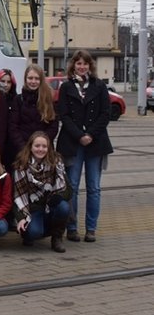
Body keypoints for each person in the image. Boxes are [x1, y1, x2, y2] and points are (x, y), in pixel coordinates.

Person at [56, 50, 114, 243]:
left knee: (94, 187)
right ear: (73, 65)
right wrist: (80, 135)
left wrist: (90, 134)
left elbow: (106, 114)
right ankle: (72, 228)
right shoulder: (66, 87)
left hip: (95, 143)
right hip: (73, 143)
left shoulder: (99, 86)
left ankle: (91, 228)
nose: (82, 67)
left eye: (85, 64)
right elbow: (63, 115)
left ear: (90, 66)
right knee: (72, 186)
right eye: (78, 63)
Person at [13, 131, 71, 252]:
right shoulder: (21, 165)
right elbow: (17, 195)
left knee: (64, 207)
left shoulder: (56, 161)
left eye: (44, 146)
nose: (41, 149)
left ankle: (57, 238)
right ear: (30, 147)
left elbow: (68, 190)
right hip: (32, 208)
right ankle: (29, 233)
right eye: (37, 146)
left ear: (48, 148)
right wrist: (21, 218)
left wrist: (58, 197)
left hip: (51, 205)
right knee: (34, 232)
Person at [9, 64, 58, 168]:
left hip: (44, 151)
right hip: (22, 150)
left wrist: (41, 145)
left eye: (36, 78)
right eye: (30, 78)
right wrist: (24, 148)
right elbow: (13, 127)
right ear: (25, 79)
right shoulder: (18, 100)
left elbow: (53, 126)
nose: (33, 81)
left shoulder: (49, 100)